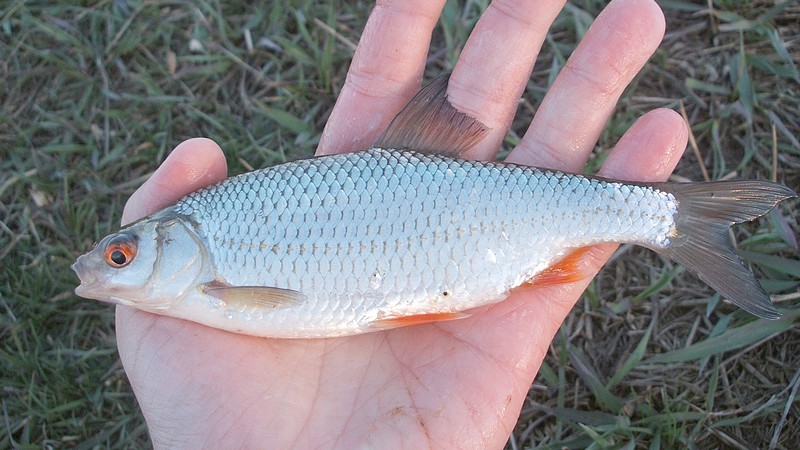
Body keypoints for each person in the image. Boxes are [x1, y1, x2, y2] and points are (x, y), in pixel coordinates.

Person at [115, 0, 688, 447]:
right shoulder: (209, 258)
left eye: (122, 256)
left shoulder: (211, 265)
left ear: (174, 238)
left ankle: (664, 215)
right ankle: (660, 214)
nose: (109, 265)